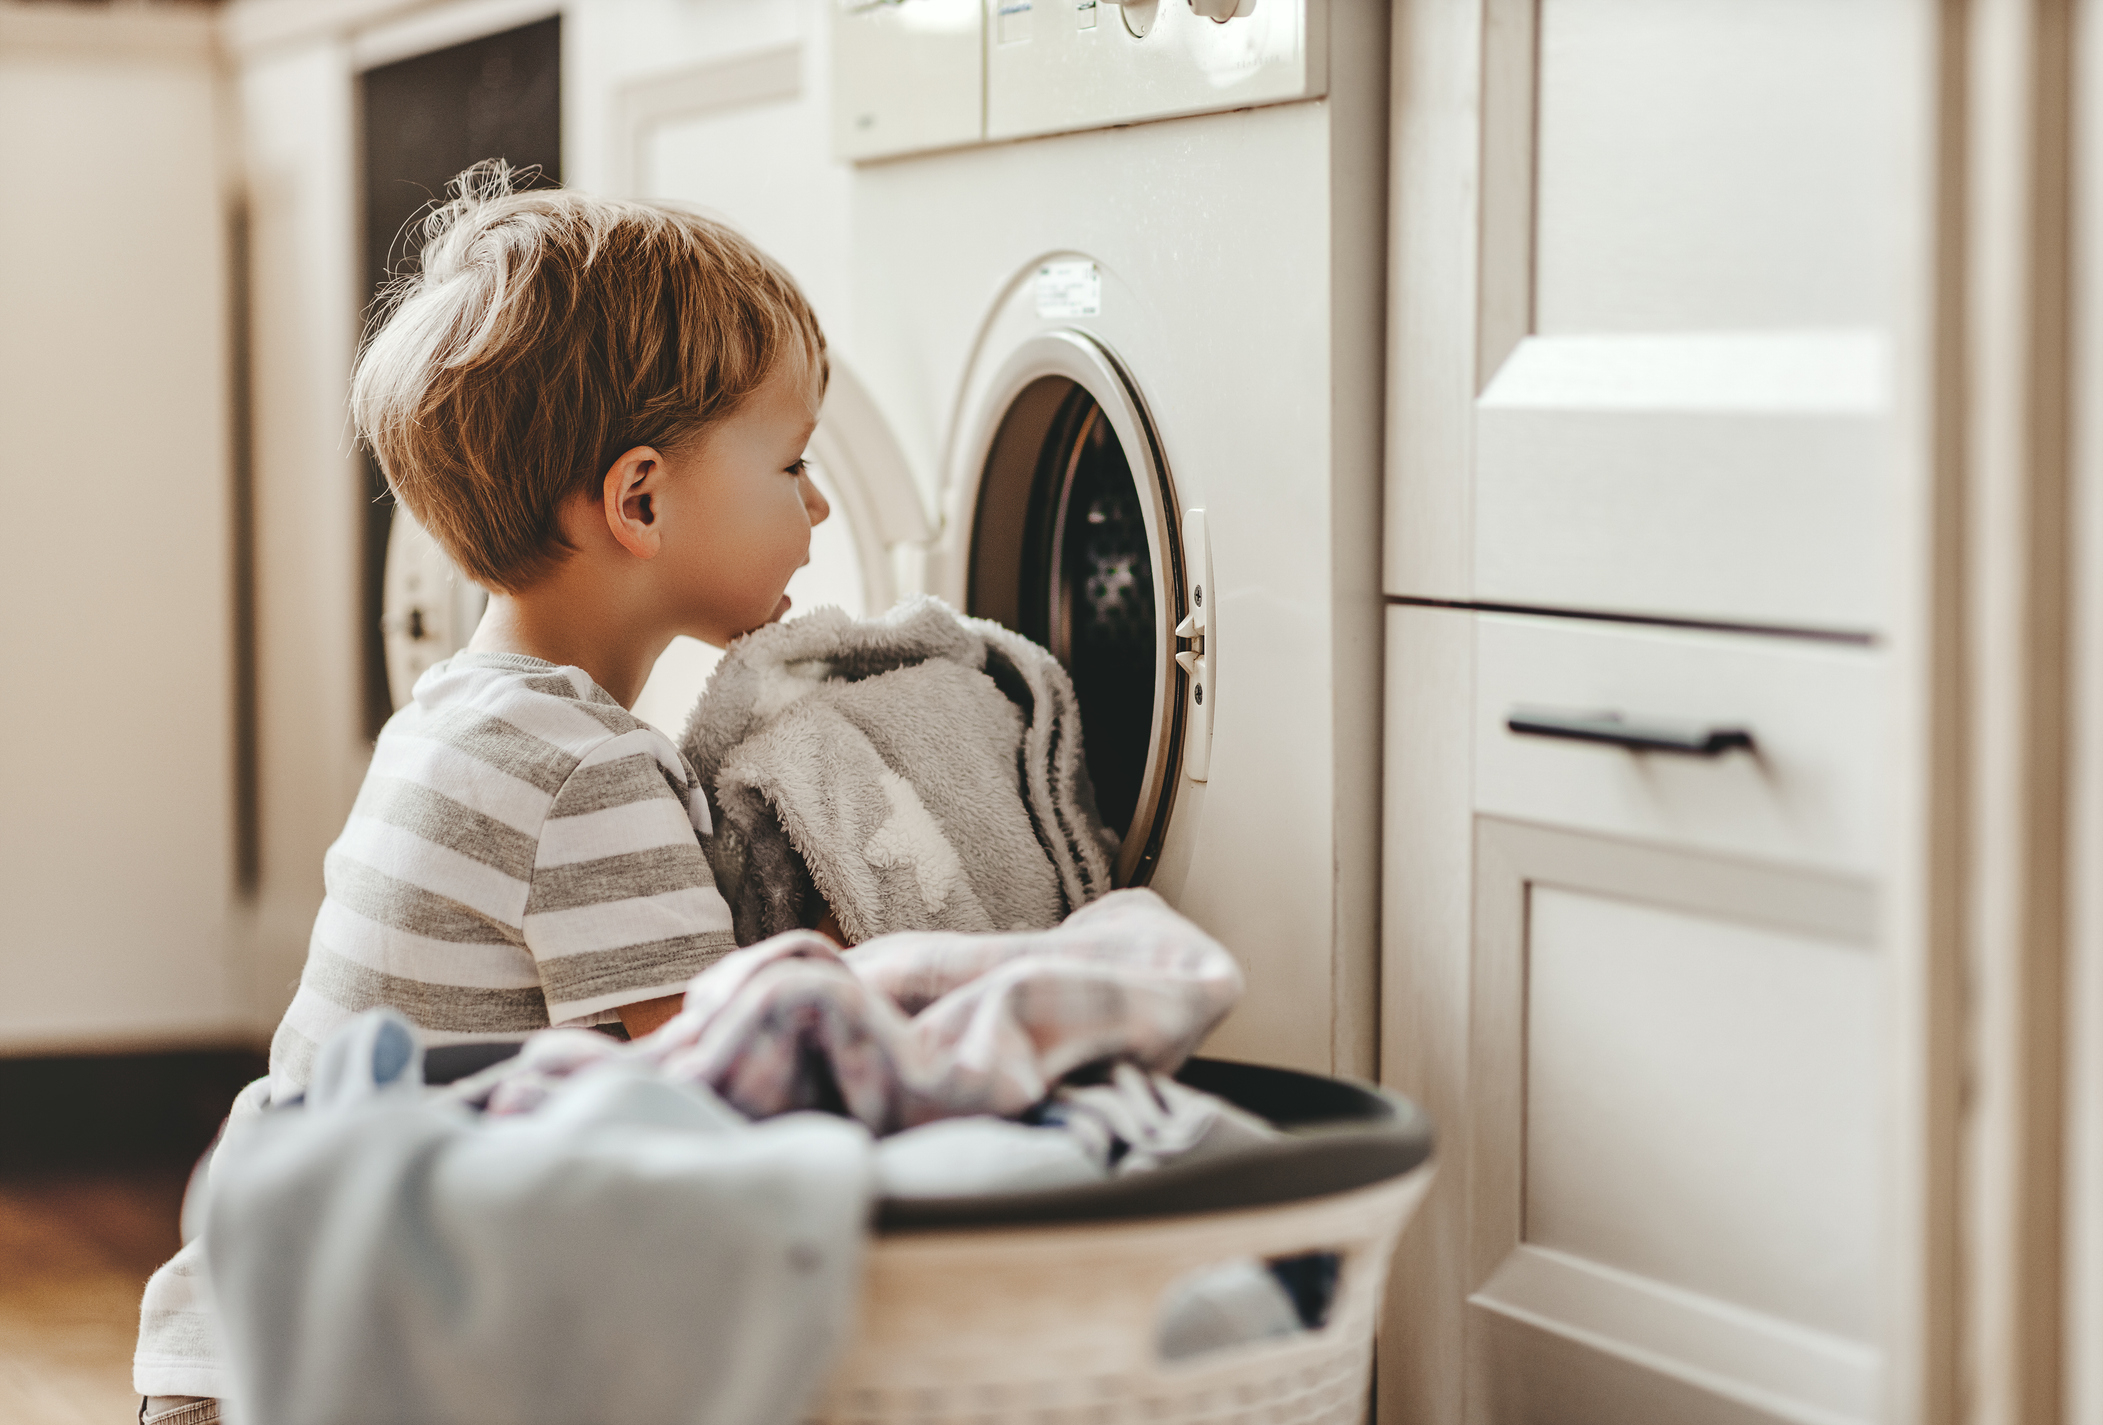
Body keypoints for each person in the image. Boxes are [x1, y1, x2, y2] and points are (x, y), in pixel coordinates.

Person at [134, 160, 833, 1424]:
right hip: (345, 1366)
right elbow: (709, 1108)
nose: (822, 505)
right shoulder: (591, 775)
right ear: (639, 499)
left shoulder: (461, 713)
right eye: (792, 465)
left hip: (256, 1325)